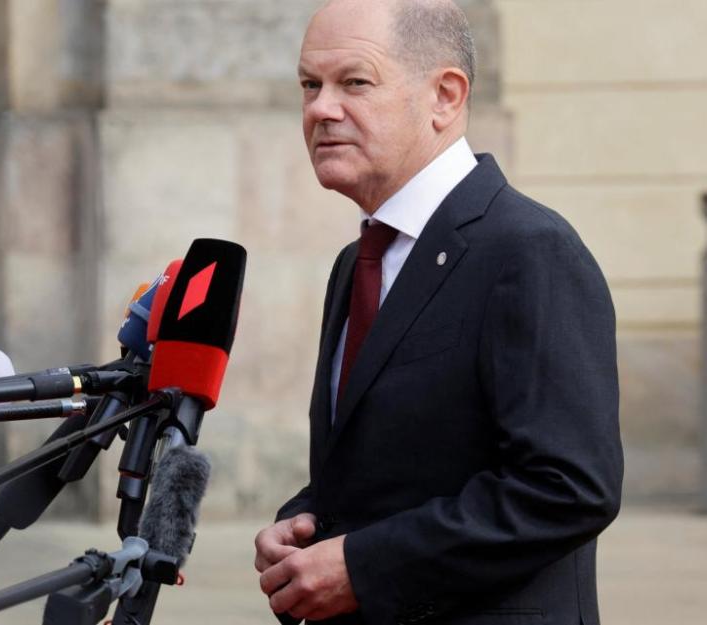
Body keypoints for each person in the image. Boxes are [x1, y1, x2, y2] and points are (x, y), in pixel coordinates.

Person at [253, 1, 623, 624]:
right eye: (310, 85)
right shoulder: (358, 261)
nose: (320, 108)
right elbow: (394, 466)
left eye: (355, 82)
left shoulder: (529, 250)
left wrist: (363, 566)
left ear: (445, 97)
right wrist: (306, 522)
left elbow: (568, 489)